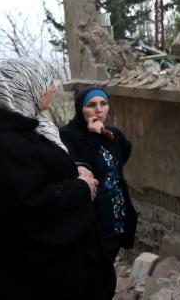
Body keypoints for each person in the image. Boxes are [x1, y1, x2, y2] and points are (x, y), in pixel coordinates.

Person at [0, 58, 114, 300]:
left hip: (45, 270)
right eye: (46, 81)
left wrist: (74, 170)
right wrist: (80, 188)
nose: (53, 87)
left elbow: (36, 171)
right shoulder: (0, 143)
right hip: (30, 278)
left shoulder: (27, 127)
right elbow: (26, 205)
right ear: (23, 86)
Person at [61, 87, 138, 266]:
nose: (99, 109)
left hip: (115, 216)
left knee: (107, 270)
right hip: (90, 219)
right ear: (80, 108)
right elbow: (80, 168)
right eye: (91, 105)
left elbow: (124, 154)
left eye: (103, 104)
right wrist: (94, 136)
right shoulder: (68, 136)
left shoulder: (113, 135)